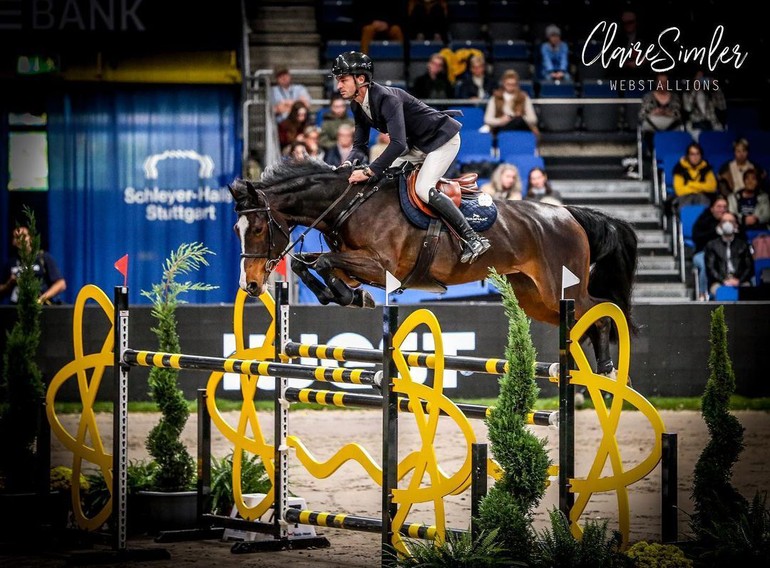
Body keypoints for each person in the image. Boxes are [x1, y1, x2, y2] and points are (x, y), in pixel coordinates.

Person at [331, 50, 490, 264]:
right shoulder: (357, 105)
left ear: (361, 79)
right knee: (386, 180)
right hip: (416, 145)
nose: (338, 86)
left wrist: (369, 171)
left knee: (423, 189)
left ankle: (472, 238)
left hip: (441, 141)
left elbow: (397, 144)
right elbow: (359, 145)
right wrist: (347, 165)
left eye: (342, 80)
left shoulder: (387, 98)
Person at [0, 225, 66, 305]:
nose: (21, 239)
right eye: (17, 237)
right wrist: (8, 284)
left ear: (30, 238)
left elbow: (61, 284)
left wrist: (41, 299)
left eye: (24, 236)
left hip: (40, 307)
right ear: (13, 241)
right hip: (17, 307)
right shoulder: (10, 262)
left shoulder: (43, 257)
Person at [704, 211, 755, 297]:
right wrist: (723, 280)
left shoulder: (743, 245)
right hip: (719, 282)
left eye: (731, 221)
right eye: (724, 221)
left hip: (741, 281)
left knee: (747, 291)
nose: (727, 224)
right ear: (719, 224)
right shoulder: (711, 245)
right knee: (720, 292)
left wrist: (738, 280)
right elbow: (710, 269)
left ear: (736, 224)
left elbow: (749, 267)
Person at [691, 195, 728, 300]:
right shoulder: (704, 220)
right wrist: (716, 231)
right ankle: (703, 294)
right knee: (706, 263)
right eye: (719, 206)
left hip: (726, 253)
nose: (722, 210)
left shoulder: (731, 220)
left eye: (724, 207)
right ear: (712, 208)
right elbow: (697, 237)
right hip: (703, 252)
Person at [483, 69, 540, 139]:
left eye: (513, 84)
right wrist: (500, 120)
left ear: (517, 84)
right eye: (508, 84)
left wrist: (521, 116)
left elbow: (533, 119)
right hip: (501, 126)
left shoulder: (524, 97)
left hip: (520, 126)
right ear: (504, 83)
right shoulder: (495, 97)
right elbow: (487, 119)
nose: (511, 87)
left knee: (518, 120)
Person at [638, 72, 684, 157]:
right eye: (660, 82)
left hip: (671, 127)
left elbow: (678, 115)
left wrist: (667, 113)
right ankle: (654, 155)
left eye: (665, 82)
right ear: (656, 83)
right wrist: (654, 112)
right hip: (652, 128)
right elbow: (642, 115)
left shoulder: (674, 97)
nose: (662, 85)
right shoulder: (648, 96)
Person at [682, 69, 726, 136]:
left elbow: (722, 106)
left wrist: (716, 87)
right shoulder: (687, 93)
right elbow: (688, 108)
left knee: (720, 131)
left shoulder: (711, 92)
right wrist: (695, 88)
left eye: (702, 77)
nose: (700, 80)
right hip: (695, 124)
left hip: (712, 124)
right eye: (698, 77)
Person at [672, 142, 718, 207]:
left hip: (704, 197)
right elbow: (679, 190)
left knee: (703, 199)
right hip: (685, 198)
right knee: (686, 200)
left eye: (697, 154)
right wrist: (701, 188)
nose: (695, 157)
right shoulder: (679, 169)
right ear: (687, 156)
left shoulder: (706, 168)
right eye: (692, 154)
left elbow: (712, 187)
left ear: (701, 155)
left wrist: (691, 184)